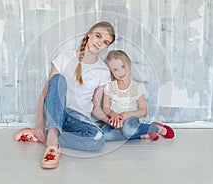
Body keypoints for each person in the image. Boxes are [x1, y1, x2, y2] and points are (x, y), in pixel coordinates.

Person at [14, 21, 115, 169]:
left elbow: (95, 107)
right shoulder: (64, 56)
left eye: (105, 42)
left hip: (77, 119)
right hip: (57, 111)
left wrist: (109, 119)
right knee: (57, 79)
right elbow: (47, 92)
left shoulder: (103, 71)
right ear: (89, 34)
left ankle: (47, 137)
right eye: (98, 36)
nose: (100, 43)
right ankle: (53, 144)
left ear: (107, 46)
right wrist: (39, 123)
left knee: (98, 139)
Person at [101, 50, 175, 141]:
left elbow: (143, 111)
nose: (120, 72)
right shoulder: (109, 87)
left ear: (129, 64)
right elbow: (106, 108)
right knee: (102, 135)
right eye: (115, 70)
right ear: (110, 71)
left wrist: (127, 114)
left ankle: (156, 128)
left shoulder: (137, 87)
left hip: (130, 120)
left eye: (123, 66)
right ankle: (142, 135)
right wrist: (114, 115)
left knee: (127, 130)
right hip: (116, 121)